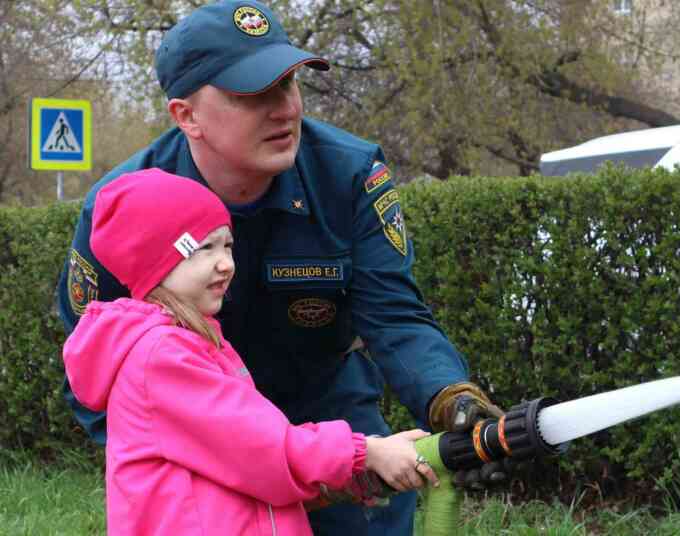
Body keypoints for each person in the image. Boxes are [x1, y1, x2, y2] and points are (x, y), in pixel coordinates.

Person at [57, 1, 504, 534]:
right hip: (198, 438)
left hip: (331, 409)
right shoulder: (122, 208)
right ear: (186, 115)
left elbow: (393, 315)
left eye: (289, 84)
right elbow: (96, 361)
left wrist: (449, 397)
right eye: (253, 95)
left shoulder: (348, 174)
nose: (286, 109)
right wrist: (183, 471)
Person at [62, 169, 439, 535]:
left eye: (227, 245)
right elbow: (264, 449)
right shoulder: (162, 358)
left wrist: (354, 476)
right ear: (153, 260)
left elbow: (246, 470)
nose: (226, 263)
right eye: (204, 248)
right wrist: (365, 453)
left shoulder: (197, 342)